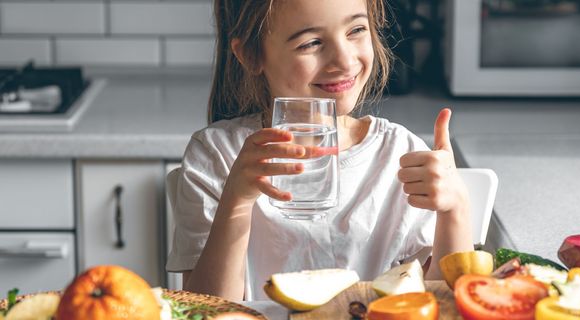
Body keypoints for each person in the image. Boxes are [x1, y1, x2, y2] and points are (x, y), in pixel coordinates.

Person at [166, 0, 473, 301]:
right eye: (311, 43)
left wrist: (455, 209)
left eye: (355, 30)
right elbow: (204, 310)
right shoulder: (217, 155)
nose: (343, 60)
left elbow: (441, 305)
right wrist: (236, 202)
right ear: (250, 54)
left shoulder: (400, 153)